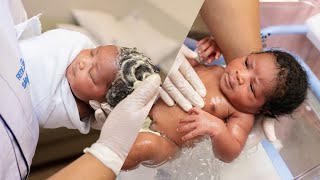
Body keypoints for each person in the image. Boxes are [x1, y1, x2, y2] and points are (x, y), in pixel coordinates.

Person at [121, 46, 308, 169]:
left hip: (162, 141)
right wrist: (188, 56)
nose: (240, 75)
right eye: (246, 63)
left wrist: (217, 129)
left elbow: (229, 153)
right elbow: (185, 66)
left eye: (251, 87)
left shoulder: (241, 115)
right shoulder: (217, 70)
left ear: (263, 110)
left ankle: (100, 166)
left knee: (139, 148)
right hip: (143, 107)